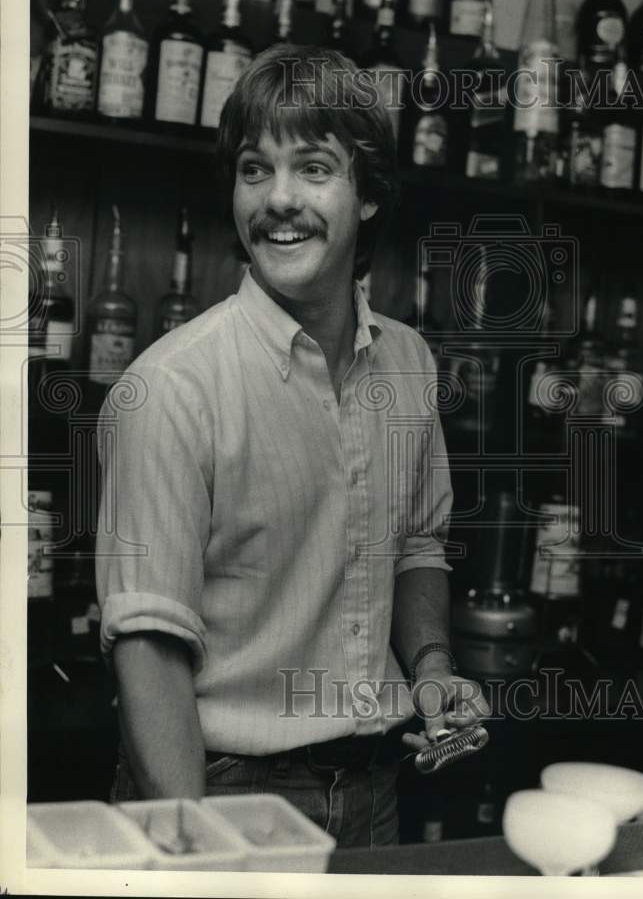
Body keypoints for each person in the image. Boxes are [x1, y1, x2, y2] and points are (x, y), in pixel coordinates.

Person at [95, 44, 489, 849]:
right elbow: (148, 643)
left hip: (374, 790)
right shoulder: (173, 387)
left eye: (313, 168)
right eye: (253, 170)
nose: (278, 201)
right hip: (216, 786)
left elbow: (417, 544)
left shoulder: (409, 362)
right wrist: (193, 844)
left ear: (369, 193)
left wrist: (434, 672)